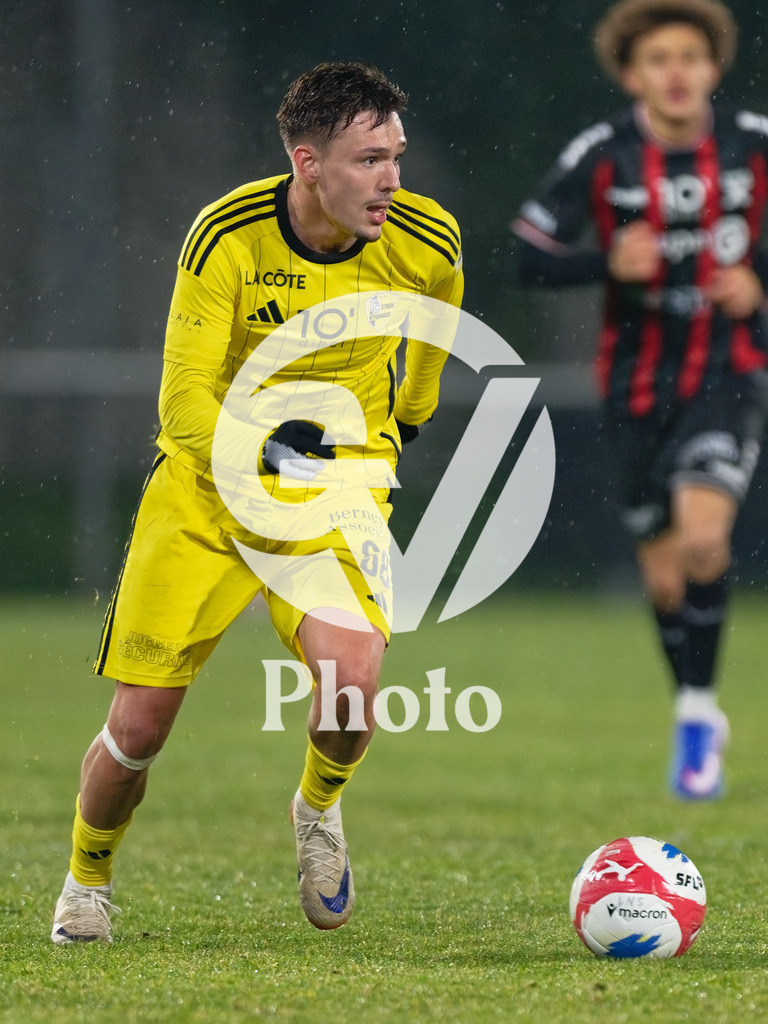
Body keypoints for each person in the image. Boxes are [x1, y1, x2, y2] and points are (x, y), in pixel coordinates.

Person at [52, 61, 463, 943]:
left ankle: (317, 809)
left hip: (333, 493)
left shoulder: (425, 237)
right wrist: (265, 447)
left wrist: (412, 409)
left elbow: (440, 303)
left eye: (396, 156)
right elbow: (183, 403)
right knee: (139, 729)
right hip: (206, 497)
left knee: (352, 689)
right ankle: (87, 879)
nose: (391, 179)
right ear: (307, 164)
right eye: (368, 160)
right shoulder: (228, 237)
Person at [512, 0, 768, 799]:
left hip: (728, 375)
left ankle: (695, 718)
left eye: (690, 56)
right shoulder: (603, 154)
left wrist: (759, 283)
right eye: (659, 59)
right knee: (664, 580)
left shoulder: (753, 144)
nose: (677, 72)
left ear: (714, 66)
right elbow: (527, 254)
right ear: (632, 75)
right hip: (635, 389)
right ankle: (694, 702)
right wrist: (605, 263)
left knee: (703, 542)